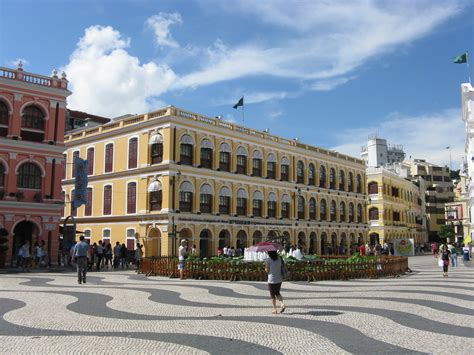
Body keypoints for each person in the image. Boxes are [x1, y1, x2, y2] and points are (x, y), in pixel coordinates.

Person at [264, 250, 286, 314]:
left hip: (271, 280)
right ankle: (282, 304)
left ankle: (274, 309)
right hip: (279, 279)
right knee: (277, 292)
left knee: (272, 295)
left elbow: (267, 271)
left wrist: (265, 268)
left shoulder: (268, 260)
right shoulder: (280, 258)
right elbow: (282, 266)